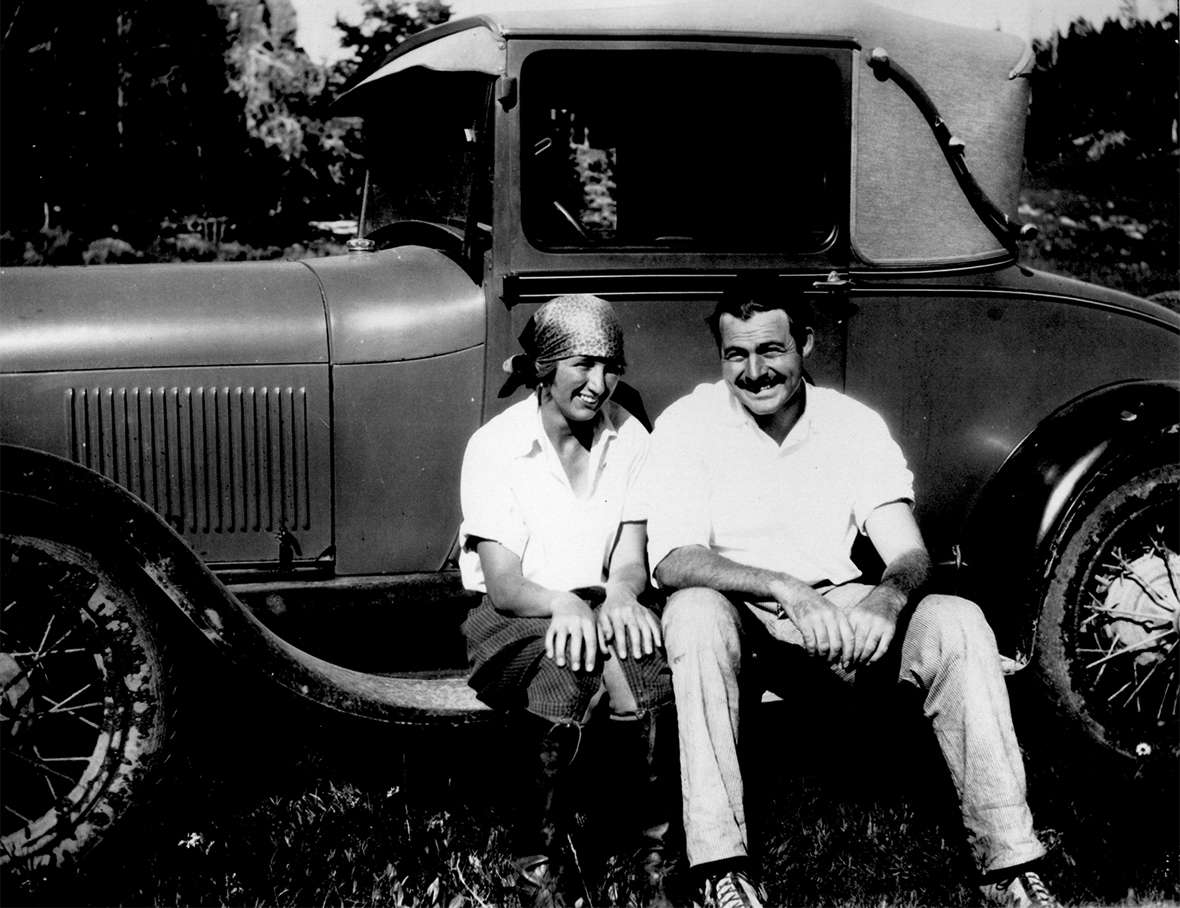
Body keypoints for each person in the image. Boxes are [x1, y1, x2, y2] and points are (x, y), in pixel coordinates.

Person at [642, 282, 1059, 908]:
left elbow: (908, 552)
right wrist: (782, 588)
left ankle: (1009, 867)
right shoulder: (688, 422)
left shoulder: (852, 423)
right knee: (692, 614)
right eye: (736, 356)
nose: (755, 373)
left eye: (772, 351)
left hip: (840, 611)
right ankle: (720, 870)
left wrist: (886, 602)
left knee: (957, 620)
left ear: (805, 343)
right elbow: (674, 560)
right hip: (746, 620)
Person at [458, 294, 679, 908]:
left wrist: (621, 596)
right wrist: (567, 603)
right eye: (582, 364)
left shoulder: (628, 434)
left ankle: (654, 854)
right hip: (513, 616)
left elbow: (630, 556)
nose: (599, 384)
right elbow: (503, 584)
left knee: (643, 661)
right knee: (568, 665)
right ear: (544, 366)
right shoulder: (496, 445)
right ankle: (538, 863)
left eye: (611, 367)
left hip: (598, 602)